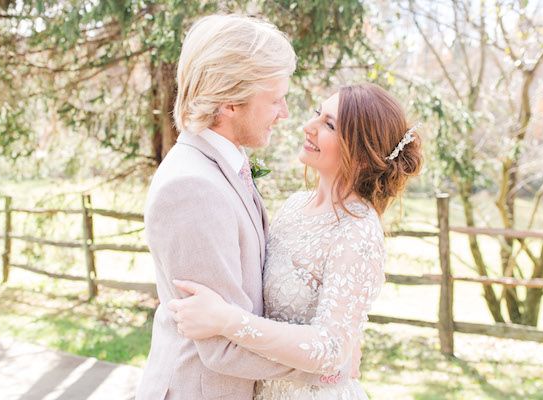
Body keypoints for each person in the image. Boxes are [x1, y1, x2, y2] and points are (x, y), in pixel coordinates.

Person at [136, 14, 348, 400]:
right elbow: (223, 346)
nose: (285, 113)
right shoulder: (192, 188)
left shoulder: (221, 166)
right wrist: (330, 360)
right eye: (275, 99)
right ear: (231, 102)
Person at [167, 83, 423, 399]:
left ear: (362, 153)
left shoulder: (358, 233)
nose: (308, 127)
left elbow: (330, 349)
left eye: (328, 124)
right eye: (318, 114)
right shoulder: (294, 206)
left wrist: (226, 320)